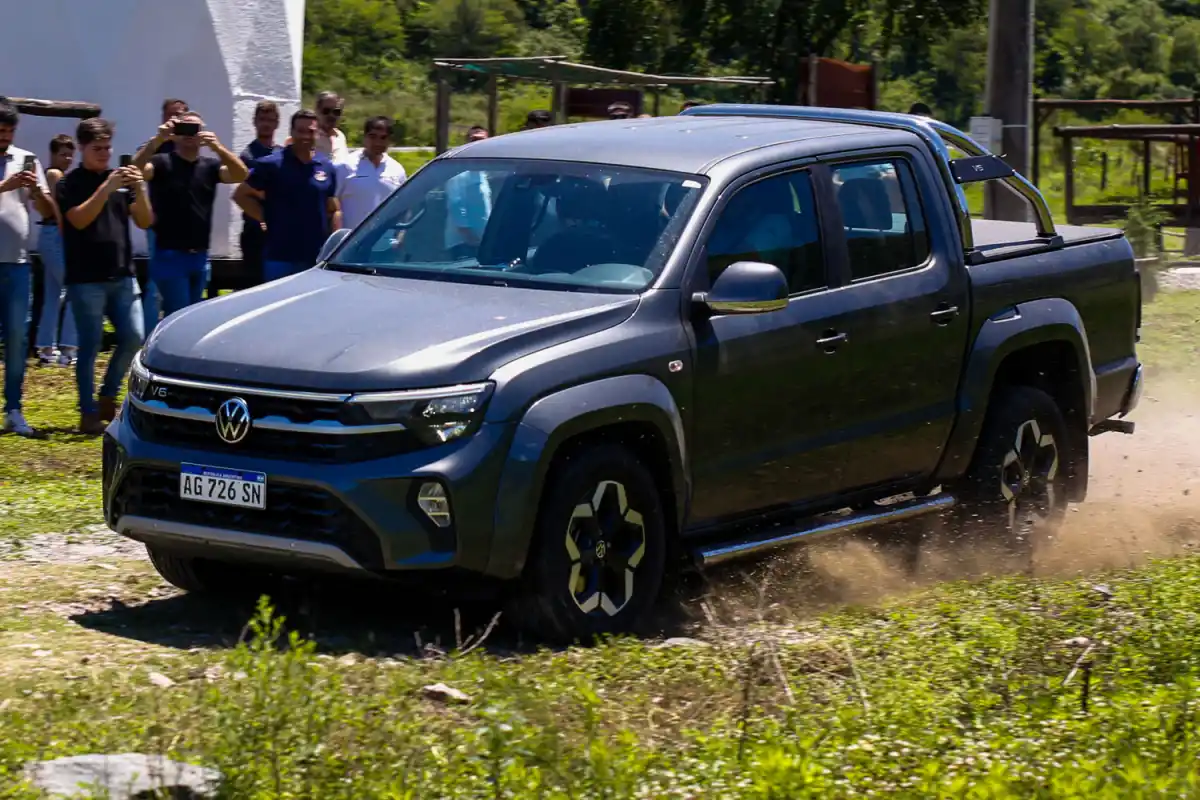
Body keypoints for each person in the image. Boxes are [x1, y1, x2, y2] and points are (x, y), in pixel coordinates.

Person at [56, 118, 152, 435]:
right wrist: (106, 188)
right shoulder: (70, 183)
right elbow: (78, 220)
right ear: (82, 147)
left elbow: (145, 220)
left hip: (123, 273)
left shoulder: (120, 183)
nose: (104, 153)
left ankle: (109, 393)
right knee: (90, 345)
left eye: (108, 147)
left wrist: (138, 187)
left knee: (134, 336)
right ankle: (87, 412)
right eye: (97, 148)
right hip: (86, 278)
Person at [136, 111, 248, 324]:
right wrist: (158, 139)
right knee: (180, 317)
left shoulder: (210, 166)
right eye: (183, 128)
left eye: (194, 128)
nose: (189, 133)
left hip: (200, 257)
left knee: (190, 317)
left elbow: (240, 174)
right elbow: (136, 170)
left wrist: (218, 147)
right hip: (170, 255)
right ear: (175, 133)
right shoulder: (161, 163)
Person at [0, 100, 56, 436]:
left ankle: (14, 409)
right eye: (0, 131)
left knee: (19, 339)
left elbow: (48, 210)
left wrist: (37, 190)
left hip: (18, 264)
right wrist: (5, 187)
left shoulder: (26, 159)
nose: (5, 137)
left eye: (9, 131)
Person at [233, 110, 341, 282]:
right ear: (291, 132)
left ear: (318, 133)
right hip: (280, 256)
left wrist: (335, 242)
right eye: (300, 131)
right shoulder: (271, 164)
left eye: (310, 131)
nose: (305, 136)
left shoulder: (326, 167)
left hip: (315, 257)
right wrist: (264, 218)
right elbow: (241, 195)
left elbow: (332, 206)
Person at [131, 97, 189, 336]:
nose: (176, 119)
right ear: (163, 119)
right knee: (156, 286)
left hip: (188, 227)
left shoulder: (190, 144)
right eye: (171, 115)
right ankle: (148, 338)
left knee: (185, 285)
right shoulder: (155, 146)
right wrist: (159, 139)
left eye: (181, 115)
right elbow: (135, 167)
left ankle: (178, 335)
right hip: (160, 225)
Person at [35, 134, 78, 368]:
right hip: (56, 234)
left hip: (49, 235)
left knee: (53, 295)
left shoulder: (57, 174)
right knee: (74, 289)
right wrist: (66, 231)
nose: (68, 158)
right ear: (52, 154)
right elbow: (57, 207)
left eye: (71, 154)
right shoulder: (54, 174)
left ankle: (46, 348)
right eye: (63, 153)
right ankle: (69, 349)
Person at [334, 116, 406, 230]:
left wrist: (400, 235)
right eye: (373, 136)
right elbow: (332, 206)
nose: (378, 142)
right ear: (364, 137)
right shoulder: (344, 166)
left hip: (386, 243)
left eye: (383, 138)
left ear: (390, 140)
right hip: (350, 242)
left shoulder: (397, 170)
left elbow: (403, 207)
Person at [237, 100, 281, 283]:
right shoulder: (248, 155)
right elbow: (248, 191)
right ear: (254, 121)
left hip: (278, 231)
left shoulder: (282, 153)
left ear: (277, 123)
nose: (266, 124)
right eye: (262, 119)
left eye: (270, 120)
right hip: (254, 231)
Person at [314, 90, 349, 163]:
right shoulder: (308, 136)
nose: (331, 115)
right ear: (317, 111)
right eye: (326, 111)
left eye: (336, 111)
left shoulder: (340, 136)